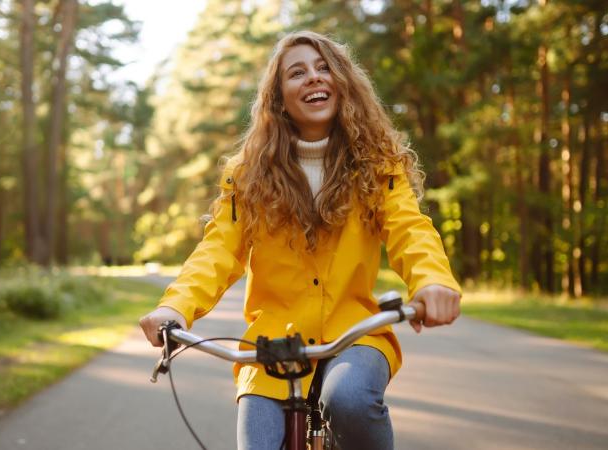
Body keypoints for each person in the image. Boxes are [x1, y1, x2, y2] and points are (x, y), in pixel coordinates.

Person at [139, 30, 461, 450]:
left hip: (355, 333)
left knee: (347, 399)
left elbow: (409, 229)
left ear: (342, 82)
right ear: (279, 98)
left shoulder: (379, 166)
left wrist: (432, 282)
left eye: (323, 67)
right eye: (297, 73)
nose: (313, 77)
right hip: (272, 343)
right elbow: (218, 249)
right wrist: (174, 306)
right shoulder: (249, 175)